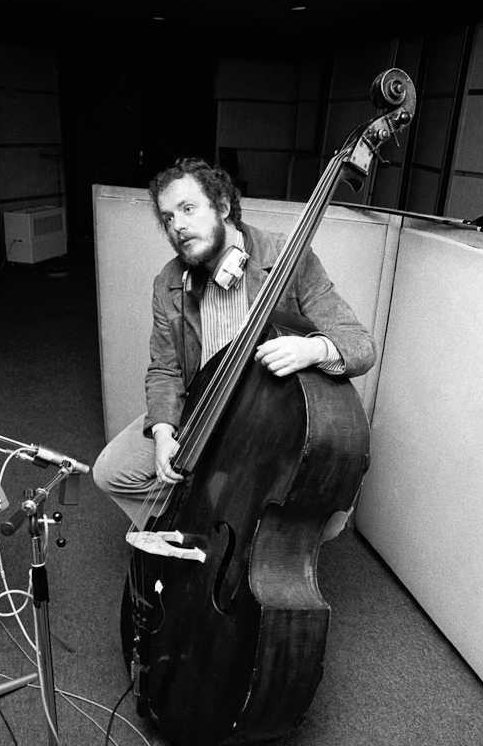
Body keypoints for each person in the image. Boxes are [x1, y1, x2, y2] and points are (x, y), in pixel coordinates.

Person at [93, 156, 376, 528]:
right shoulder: (169, 282)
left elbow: (361, 345)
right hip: (203, 407)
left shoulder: (290, 259)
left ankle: (234, 523)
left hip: (269, 418)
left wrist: (312, 349)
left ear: (223, 206)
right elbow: (165, 370)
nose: (178, 225)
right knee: (110, 471)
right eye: (168, 218)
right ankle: (198, 521)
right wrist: (162, 433)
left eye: (188, 209)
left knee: (320, 518)